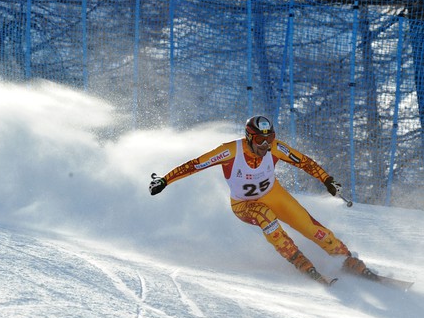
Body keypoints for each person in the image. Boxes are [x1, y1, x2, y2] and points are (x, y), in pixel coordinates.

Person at [149, 115, 372, 285]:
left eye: (270, 138)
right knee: (267, 218)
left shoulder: (275, 148)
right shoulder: (229, 151)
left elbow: (303, 162)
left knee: (309, 226)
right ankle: (300, 262)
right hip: (244, 205)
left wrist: (327, 180)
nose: (266, 144)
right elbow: (196, 164)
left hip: (274, 195)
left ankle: (346, 259)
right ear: (249, 137)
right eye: (260, 139)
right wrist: (165, 180)